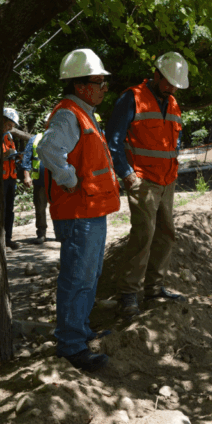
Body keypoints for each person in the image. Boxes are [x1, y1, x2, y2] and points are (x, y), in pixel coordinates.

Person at [37, 48, 120, 371]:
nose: (104, 88)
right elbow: (49, 149)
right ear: (81, 85)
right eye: (100, 82)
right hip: (78, 212)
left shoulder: (83, 112)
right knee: (77, 275)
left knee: (89, 274)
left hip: (91, 209)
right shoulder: (69, 114)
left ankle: (81, 331)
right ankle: (71, 344)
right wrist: (69, 180)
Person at [106, 51, 189, 317]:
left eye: (175, 84)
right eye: (167, 82)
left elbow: (173, 142)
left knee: (166, 234)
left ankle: (154, 287)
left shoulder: (173, 103)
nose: (171, 87)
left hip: (167, 181)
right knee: (144, 234)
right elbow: (114, 140)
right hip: (142, 180)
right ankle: (129, 293)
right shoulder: (132, 98)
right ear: (156, 74)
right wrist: (127, 174)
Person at [21, 113, 51, 244]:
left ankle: (62, 234)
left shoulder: (62, 137)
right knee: (40, 208)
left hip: (57, 181)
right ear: (45, 124)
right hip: (40, 180)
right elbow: (26, 159)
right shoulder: (35, 139)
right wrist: (26, 176)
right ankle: (41, 234)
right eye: (47, 122)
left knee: (60, 208)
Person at [2, 108, 21, 250]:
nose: (10, 128)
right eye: (8, 125)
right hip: (1, 179)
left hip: (10, 178)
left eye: (12, 126)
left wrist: (17, 156)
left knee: (9, 209)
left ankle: (7, 239)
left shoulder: (9, 136)